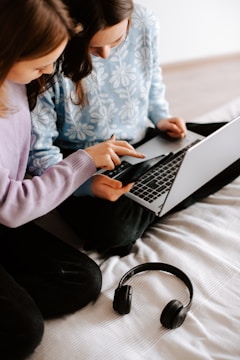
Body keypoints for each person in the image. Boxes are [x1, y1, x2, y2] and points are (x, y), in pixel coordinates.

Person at [28, 0, 240, 257]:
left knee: (233, 142)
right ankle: (170, 188)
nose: (105, 54)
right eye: (93, 46)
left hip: (144, 142)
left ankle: (158, 194)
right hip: (83, 166)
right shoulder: (45, 57)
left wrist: (161, 117)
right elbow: (39, 154)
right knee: (113, 232)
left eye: (116, 42)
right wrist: (89, 185)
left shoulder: (144, 21)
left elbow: (151, 77)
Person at [0, 1, 145, 359]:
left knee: (84, 280)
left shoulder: (16, 83)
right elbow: (14, 208)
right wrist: (83, 162)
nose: (51, 71)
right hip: (8, 212)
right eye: (41, 64)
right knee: (25, 332)